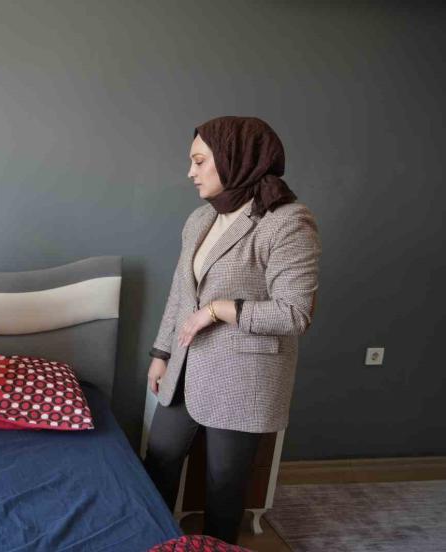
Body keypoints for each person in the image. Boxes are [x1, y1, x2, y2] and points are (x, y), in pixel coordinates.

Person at [143, 116, 320, 544]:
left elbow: (295, 313)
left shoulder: (288, 222)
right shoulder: (199, 219)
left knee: (224, 486)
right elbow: (181, 293)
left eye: (199, 161)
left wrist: (220, 310)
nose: (190, 172)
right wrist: (162, 353)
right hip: (184, 368)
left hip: (242, 378)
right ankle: (153, 541)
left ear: (234, 159)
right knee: (158, 463)